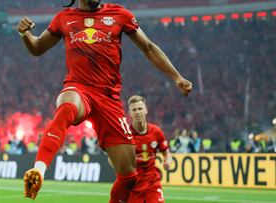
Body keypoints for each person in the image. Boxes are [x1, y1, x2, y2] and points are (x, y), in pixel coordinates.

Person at [18, 0, 192, 201]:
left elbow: (149, 48)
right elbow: (37, 47)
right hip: (79, 89)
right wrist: (25, 34)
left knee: (128, 175)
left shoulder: (119, 14)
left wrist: (176, 77)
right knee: (66, 107)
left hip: (109, 99)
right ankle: (38, 170)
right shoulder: (63, 18)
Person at [127, 95, 172, 203]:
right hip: (133, 185)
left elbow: (166, 153)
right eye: (134, 109)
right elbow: (114, 158)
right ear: (130, 113)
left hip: (152, 182)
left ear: (146, 110)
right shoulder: (125, 135)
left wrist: (168, 161)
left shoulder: (156, 131)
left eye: (140, 108)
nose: (137, 112)